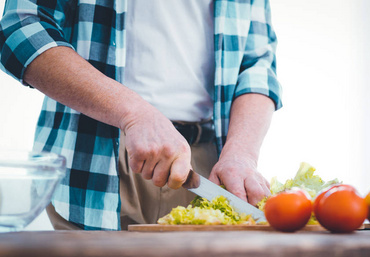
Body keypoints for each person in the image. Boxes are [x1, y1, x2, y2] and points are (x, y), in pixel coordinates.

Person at [0, 0, 282, 230]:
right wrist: (135, 114)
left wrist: (241, 153)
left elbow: (257, 64)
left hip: (210, 167)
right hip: (96, 161)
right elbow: (21, 27)